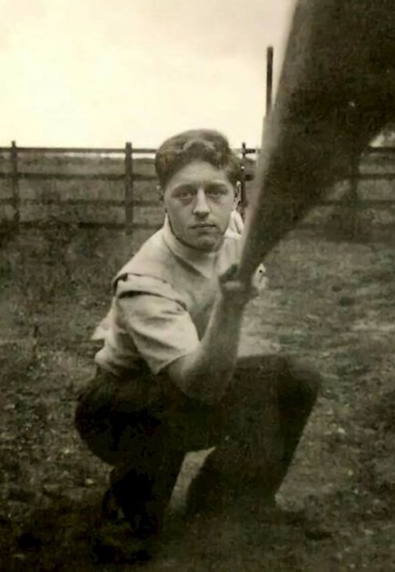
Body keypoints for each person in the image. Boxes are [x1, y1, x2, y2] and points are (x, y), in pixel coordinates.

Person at [74, 129, 320, 562]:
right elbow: (199, 385)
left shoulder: (235, 229)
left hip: (182, 378)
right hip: (116, 406)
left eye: (216, 192)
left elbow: (246, 226)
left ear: (236, 196)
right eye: (184, 194)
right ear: (162, 199)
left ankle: (223, 498)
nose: (203, 209)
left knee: (294, 379)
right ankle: (128, 514)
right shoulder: (145, 280)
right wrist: (230, 305)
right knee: (173, 401)